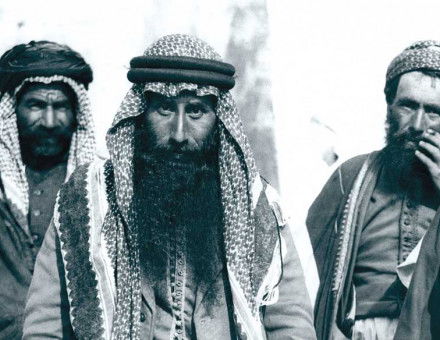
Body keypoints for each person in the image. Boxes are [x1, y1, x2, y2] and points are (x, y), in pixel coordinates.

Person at [22, 34, 317, 340]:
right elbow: (45, 326)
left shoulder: (255, 207)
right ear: (140, 113)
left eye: (196, 112)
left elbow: (290, 324)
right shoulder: (86, 199)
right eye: (164, 109)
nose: (179, 133)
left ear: (218, 119)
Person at [307, 40, 440, 340]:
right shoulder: (352, 176)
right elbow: (304, 274)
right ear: (389, 106)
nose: (418, 124)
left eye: (433, 112)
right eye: (408, 106)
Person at [0, 40, 96, 339]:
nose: (50, 121)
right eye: (37, 105)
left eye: (61, 107)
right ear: (12, 110)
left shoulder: (97, 190)